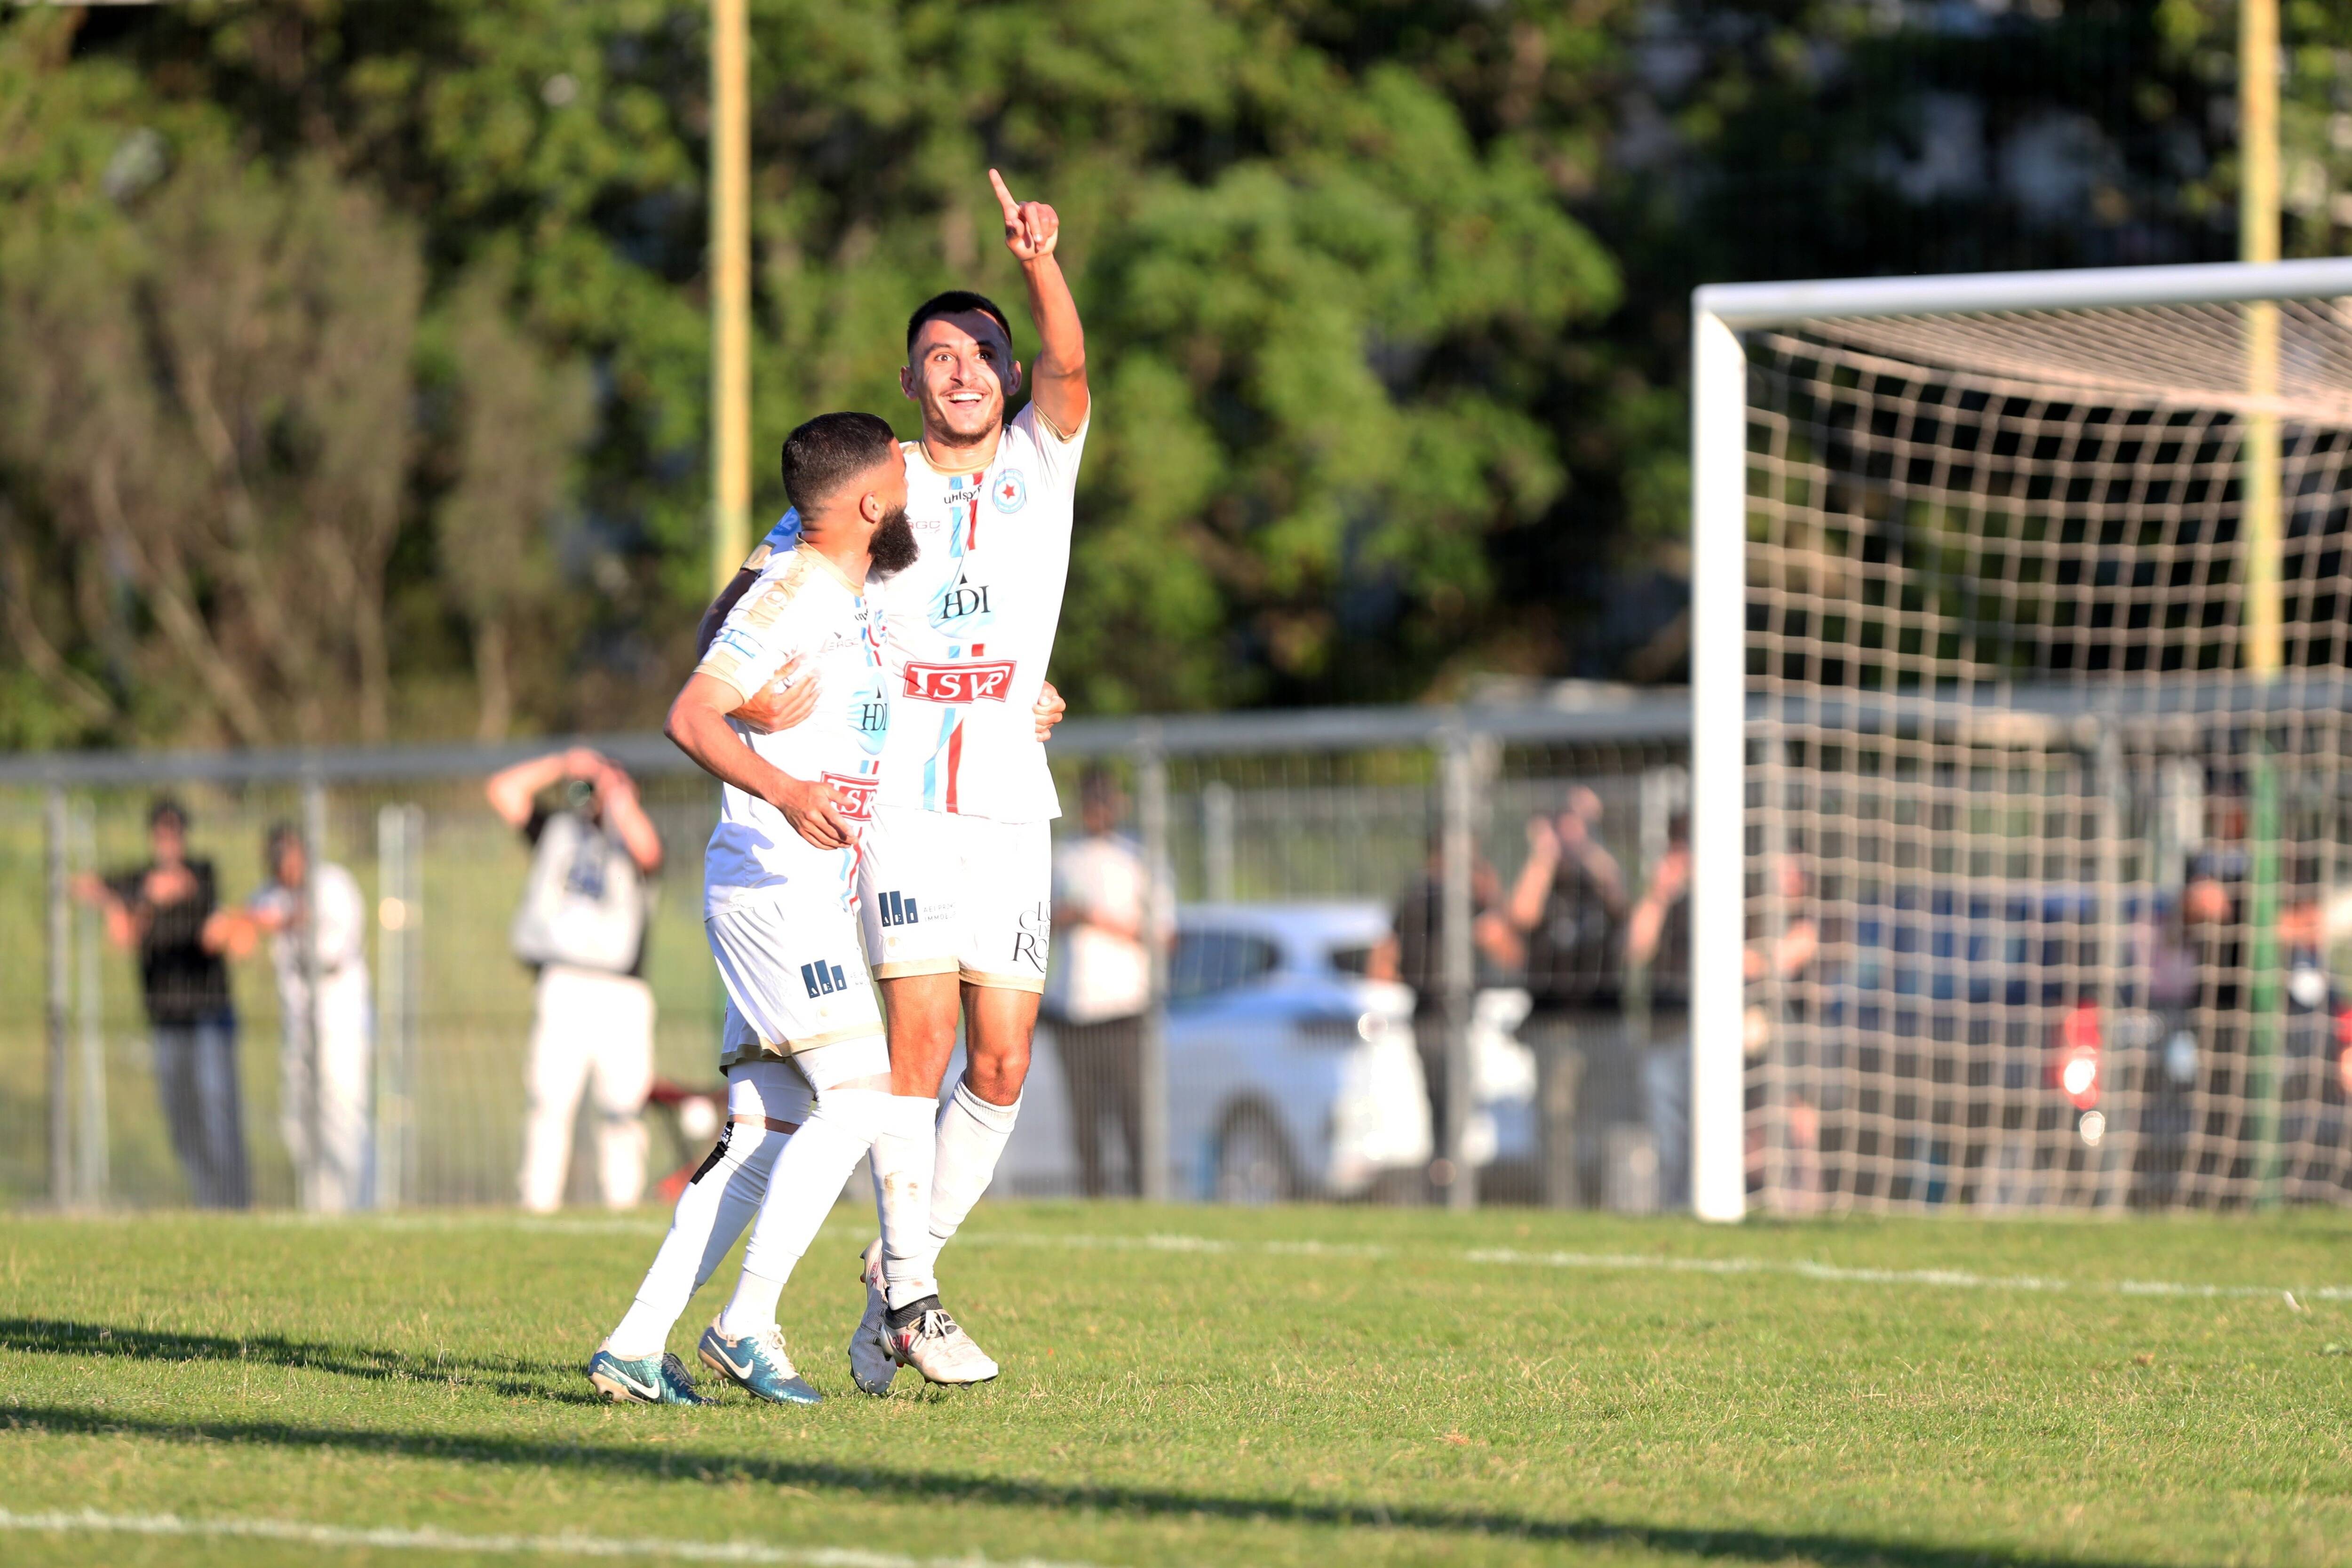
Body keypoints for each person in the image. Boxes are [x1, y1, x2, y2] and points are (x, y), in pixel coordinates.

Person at [589, 411, 967, 1406]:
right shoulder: (796, 586)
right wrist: (784, 786)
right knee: (859, 1095)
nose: (911, 493)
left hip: (795, 891)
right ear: (871, 503)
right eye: (900, 478)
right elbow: (689, 711)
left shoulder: (836, 586)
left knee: (765, 1131)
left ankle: (633, 1344)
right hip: (769, 884)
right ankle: (744, 1323)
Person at [486, 747, 664, 1213]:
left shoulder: (633, 833)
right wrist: (565, 764)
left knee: (622, 1106)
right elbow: (502, 791)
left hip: (621, 991)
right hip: (563, 983)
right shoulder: (559, 832)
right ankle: (537, 1204)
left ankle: (622, 1205)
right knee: (549, 1100)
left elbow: (649, 852)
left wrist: (619, 799)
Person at [72, 798, 249, 1208]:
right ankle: (208, 1199)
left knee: (217, 1109)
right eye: (161, 832)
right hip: (165, 1017)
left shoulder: (202, 872)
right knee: (180, 1117)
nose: (168, 840)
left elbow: (184, 893)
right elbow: (84, 887)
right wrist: (121, 901)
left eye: (175, 832)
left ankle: (233, 1203)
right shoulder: (138, 881)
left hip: (206, 1012)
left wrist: (143, 898)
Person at [207, 824, 374, 1212]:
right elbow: (235, 935)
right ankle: (322, 1206)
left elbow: (316, 926)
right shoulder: (270, 893)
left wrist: (266, 920)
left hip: (340, 1017)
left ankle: (361, 1206)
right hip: (298, 1023)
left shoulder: (332, 883)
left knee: (344, 1116)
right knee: (299, 1121)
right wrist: (235, 924)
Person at [1377, 832, 1524, 1189]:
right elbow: (1509, 949)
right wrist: (1493, 896)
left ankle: (1443, 1178)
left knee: (1443, 1109)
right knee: (1453, 1106)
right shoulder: (1457, 898)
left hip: (1431, 1015)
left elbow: (1383, 959)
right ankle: (1450, 1183)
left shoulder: (1413, 894)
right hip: (1445, 1016)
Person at [1046, 767, 1164, 1197]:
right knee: (1085, 1121)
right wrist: (1070, 916)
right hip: (1071, 1009)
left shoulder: (1139, 856)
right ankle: (1093, 1201)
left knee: (1133, 1116)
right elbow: (1041, 922)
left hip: (1123, 1007)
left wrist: (1096, 919)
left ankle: (1143, 1198)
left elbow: (1162, 935)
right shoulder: (1063, 856)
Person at [1624, 815, 1692, 1210]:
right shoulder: (1661, 899)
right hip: (1664, 1031)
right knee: (1668, 1135)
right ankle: (1674, 1208)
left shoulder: (1734, 893)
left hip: (1714, 1035)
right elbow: (1635, 948)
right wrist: (1660, 894)